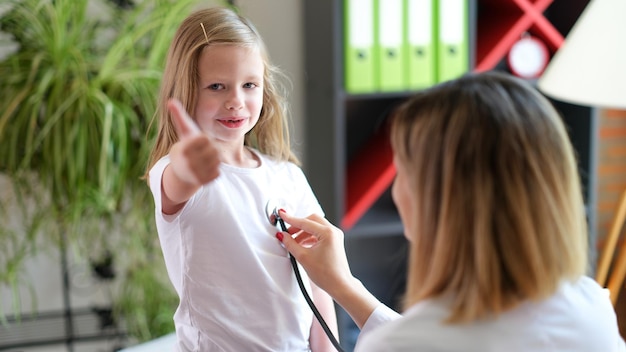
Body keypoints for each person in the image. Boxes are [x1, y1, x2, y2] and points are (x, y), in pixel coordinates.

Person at [276, 71, 626, 351]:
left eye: (402, 172)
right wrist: (344, 287)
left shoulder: (408, 343)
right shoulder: (591, 307)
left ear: (439, 199)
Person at [144, 7, 337, 352]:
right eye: (217, 86)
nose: (236, 101)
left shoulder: (288, 176)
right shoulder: (176, 172)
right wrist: (188, 170)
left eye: (249, 85)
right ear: (186, 89)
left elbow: (317, 284)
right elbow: (176, 185)